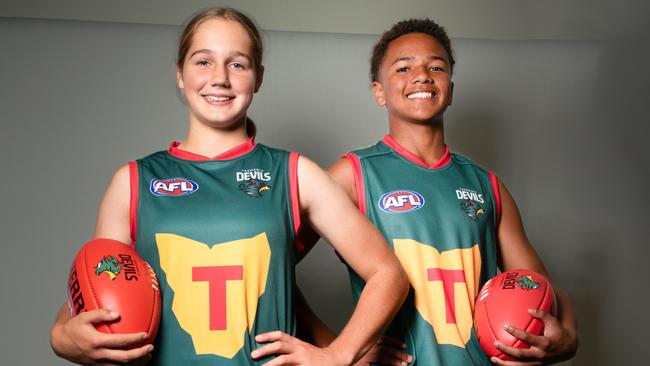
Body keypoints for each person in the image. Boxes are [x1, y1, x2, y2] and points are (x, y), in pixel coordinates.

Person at [49, 7, 408, 366]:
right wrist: (62, 335)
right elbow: (97, 283)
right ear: (180, 73)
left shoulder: (295, 174)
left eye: (237, 64)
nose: (219, 78)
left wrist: (339, 355)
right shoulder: (132, 181)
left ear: (258, 77)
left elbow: (387, 273)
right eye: (203, 61)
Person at [296, 18, 578, 365]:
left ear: (450, 89)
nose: (422, 76)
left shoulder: (487, 186)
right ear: (379, 91)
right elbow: (270, 263)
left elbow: (541, 289)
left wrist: (568, 338)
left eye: (436, 67)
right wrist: (339, 347)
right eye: (403, 67)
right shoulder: (353, 175)